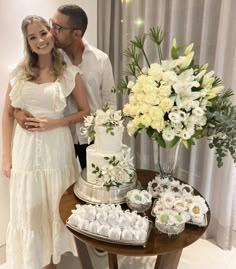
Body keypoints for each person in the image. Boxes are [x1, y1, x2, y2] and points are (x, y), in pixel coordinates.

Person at [1, 15, 90, 269]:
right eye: (32, 37)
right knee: (30, 207)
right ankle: (36, 261)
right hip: (26, 150)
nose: (39, 40)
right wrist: (6, 157)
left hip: (57, 149)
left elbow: (86, 111)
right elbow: (7, 114)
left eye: (42, 33)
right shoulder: (18, 72)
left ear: (51, 33)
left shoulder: (69, 73)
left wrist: (55, 122)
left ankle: (52, 261)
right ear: (27, 43)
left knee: (54, 204)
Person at [15, 4, 117, 170]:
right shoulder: (49, 55)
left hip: (93, 137)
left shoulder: (101, 60)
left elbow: (109, 101)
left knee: (94, 186)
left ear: (76, 33)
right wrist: (17, 113)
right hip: (59, 138)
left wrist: (108, 138)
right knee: (65, 188)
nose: (51, 32)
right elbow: (24, 86)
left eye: (58, 27)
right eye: (52, 24)